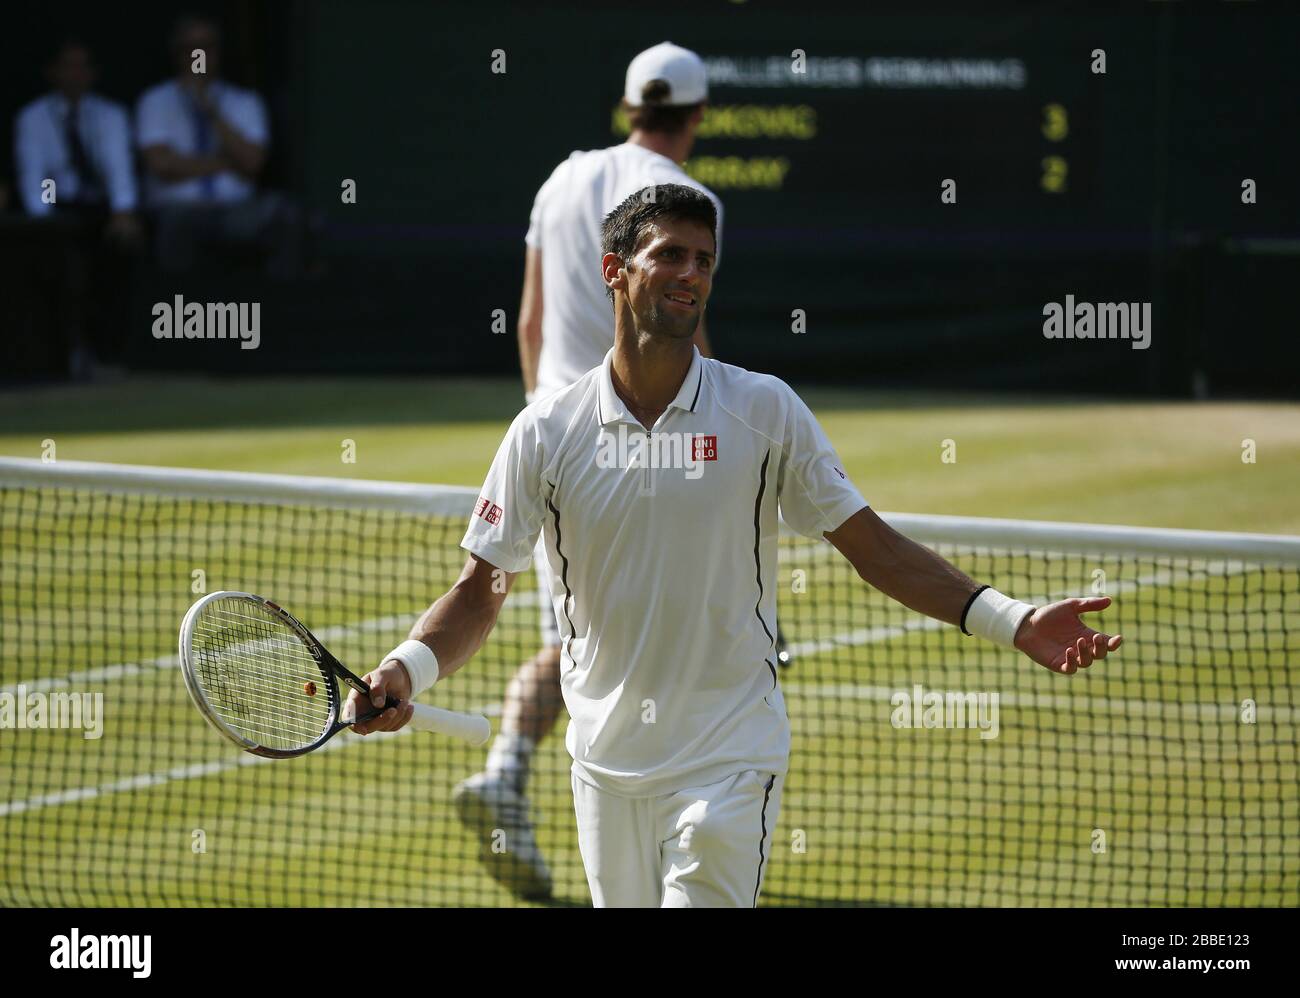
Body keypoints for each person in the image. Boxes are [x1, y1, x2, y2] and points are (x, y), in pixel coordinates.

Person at [347, 184, 1124, 908]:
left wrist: (1010, 619)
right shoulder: (545, 433)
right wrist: (405, 667)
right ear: (615, 272)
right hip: (601, 766)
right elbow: (481, 592)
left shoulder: (763, 410)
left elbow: (874, 548)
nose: (692, 274)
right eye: (671, 255)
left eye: (705, 259)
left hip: (729, 759)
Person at [451, 42, 723, 901]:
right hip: (649, 441)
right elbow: (684, 338)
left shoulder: (561, 179)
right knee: (658, 645)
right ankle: (673, 843)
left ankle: (506, 772)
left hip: (556, 439)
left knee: (580, 640)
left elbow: (531, 323)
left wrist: (538, 428)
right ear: (698, 117)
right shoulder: (692, 203)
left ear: (630, 104)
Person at [14, 39, 141, 377]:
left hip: (100, 209)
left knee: (121, 246)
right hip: (58, 207)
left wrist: (123, 211)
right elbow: (36, 177)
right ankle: (68, 355)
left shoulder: (111, 115)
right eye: (67, 65)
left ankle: (115, 354)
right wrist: (46, 222)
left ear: (93, 73)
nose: (75, 74)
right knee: (59, 252)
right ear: (52, 72)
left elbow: (119, 169)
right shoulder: (33, 118)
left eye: (82, 66)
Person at [135, 15, 300, 276]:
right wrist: (226, 162)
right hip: (178, 208)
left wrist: (211, 112)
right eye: (190, 48)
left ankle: (276, 308)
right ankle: (179, 309)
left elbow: (253, 163)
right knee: (177, 223)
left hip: (235, 208)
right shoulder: (155, 101)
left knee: (283, 214)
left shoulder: (245, 102)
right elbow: (162, 165)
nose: (198, 55)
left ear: (219, 52)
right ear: (177, 54)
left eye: (207, 47)